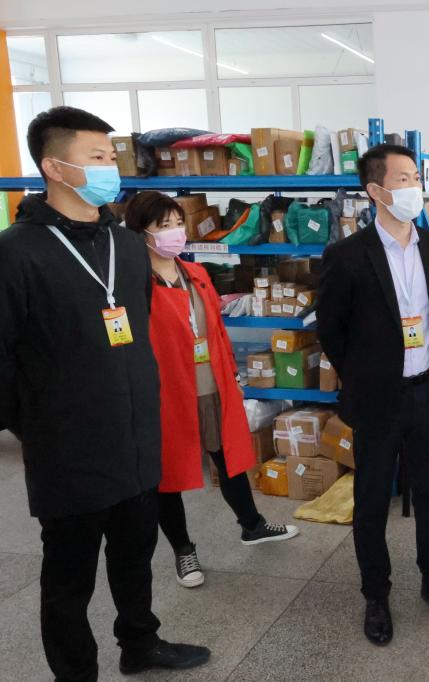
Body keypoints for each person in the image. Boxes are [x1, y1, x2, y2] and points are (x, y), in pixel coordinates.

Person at [0, 106, 210, 680]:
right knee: (69, 579)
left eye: (111, 156)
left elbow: (133, 325)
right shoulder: (16, 252)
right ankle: (77, 673)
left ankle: (140, 644)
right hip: (67, 452)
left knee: (134, 558)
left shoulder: (125, 241)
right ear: (54, 167)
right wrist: (41, 425)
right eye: (95, 157)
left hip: (135, 439)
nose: (109, 167)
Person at [317, 144, 429, 647]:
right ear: (376, 190)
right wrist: (363, 377)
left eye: (416, 176)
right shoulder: (346, 256)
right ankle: (376, 594)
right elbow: (330, 331)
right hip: (378, 400)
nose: (414, 186)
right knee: (373, 499)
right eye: (403, 178)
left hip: (427, 394)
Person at [123, 191, 299, 590]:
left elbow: (216, 330)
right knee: (168, 473)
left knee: (228, 457)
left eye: (177, 223)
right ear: (141, 234)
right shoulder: (135, 285)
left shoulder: (196, 274)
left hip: (212, 384)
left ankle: (252, 525)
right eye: (163, 226)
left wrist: (231, 374)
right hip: (166, 393)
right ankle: (183, 550)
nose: (175, 232)